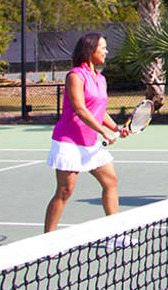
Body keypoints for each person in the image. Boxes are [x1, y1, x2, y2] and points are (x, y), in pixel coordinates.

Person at [44, 33, 128, 232]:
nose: (106, 51)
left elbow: (99, 109)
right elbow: (80, 109)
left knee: (111, 181)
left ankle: (113, 234)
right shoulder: (75, 76)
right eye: (103, 47)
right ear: (90, 50)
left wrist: (115, 128)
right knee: (65, 191)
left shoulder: (100, 79)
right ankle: (46, 241)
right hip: (70, 141)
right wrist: (103, 133)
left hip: (90, 143)